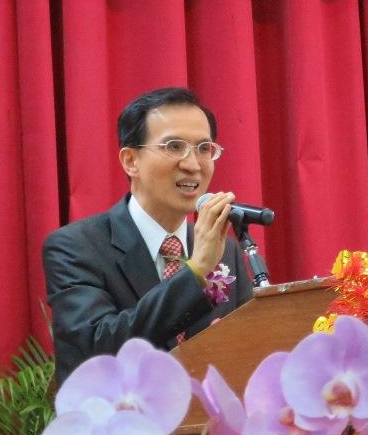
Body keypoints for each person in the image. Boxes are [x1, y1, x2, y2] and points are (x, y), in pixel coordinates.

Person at [43, 86, 254, 386]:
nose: (193, 164)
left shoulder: (226, 251)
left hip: (206, 418)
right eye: (174, 146)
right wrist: (195, 272)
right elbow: (98, 349)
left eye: (204, 148)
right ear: (131, 161)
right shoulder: (75, 247)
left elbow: (247, 350)